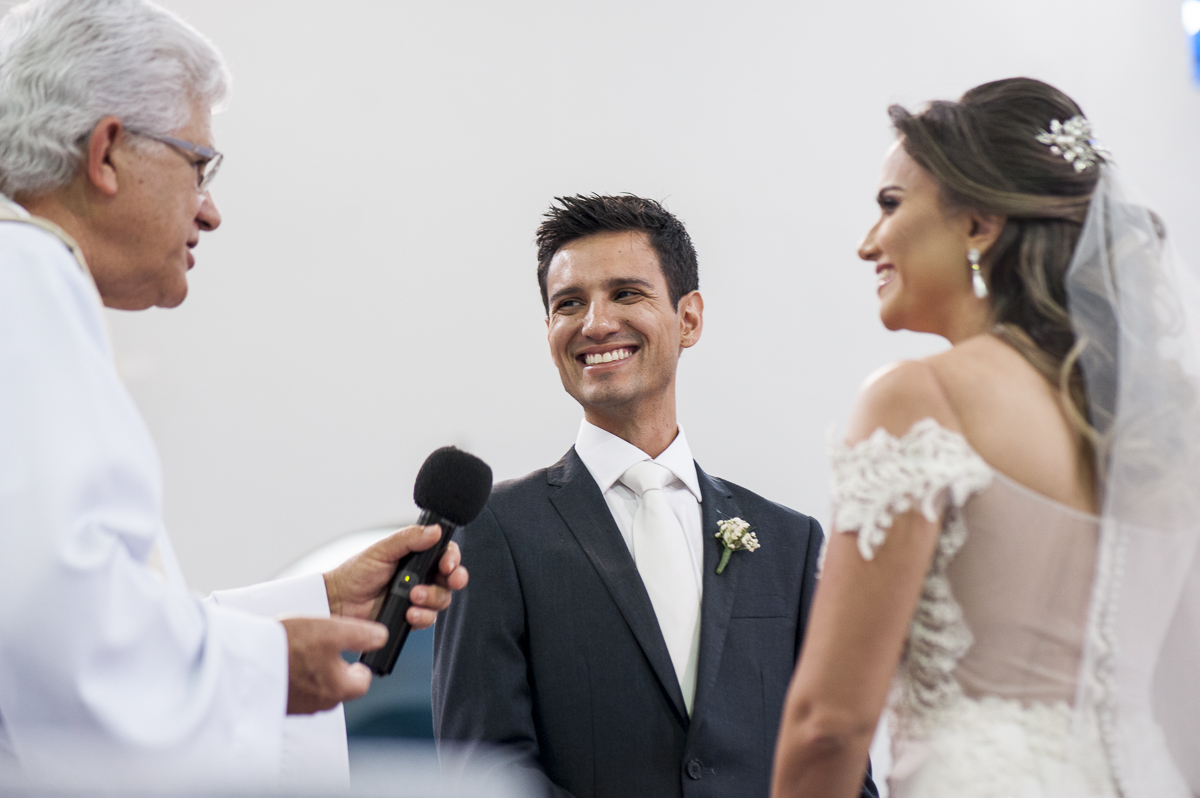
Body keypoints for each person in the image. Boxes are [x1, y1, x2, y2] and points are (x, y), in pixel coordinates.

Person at [0, 0, 467, 790]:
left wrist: (318, 599)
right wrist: (268, 668)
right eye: (198, 165)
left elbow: (85, 609)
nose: (210, 211)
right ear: (107, 152)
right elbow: (52, 633)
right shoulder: (27, 280)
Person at [770, 77, 1200, 798]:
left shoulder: (919, 400)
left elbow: (830, 725)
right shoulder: (1164, 432)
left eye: (889, 205)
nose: (866, 242)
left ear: (977, 225)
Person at [432, 195, 877, 798]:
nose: (595, 323)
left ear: (688, 318)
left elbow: (839, 768)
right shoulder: (495, 530)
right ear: (549, 333)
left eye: (625, 293)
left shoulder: (789, 544)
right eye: (569, 304)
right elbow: (481, 771)